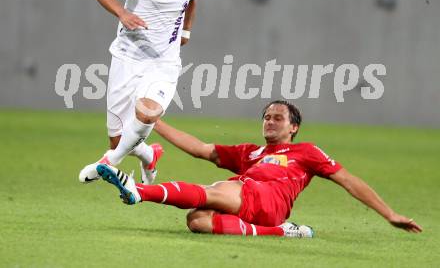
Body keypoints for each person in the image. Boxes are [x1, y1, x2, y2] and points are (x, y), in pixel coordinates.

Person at [96, 100, 423, 237]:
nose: (270, 121)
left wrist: (389, 213)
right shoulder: (249, 153)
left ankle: (138, 192)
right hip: (258, 208)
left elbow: (349, 180)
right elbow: (199, 148)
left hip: (268, 199)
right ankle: (281, 232)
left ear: (293, 127)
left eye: (278, 118)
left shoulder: (305, 152)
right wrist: (154, 123)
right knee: (197, 221)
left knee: (215, 191)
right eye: (267, 116)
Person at [79, 0, 204, 185]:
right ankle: (149, 155)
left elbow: (192, 0)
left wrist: (186, 32)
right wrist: (122, 13)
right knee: (117, 139)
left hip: (164, 63)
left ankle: (108, 162)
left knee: (147, 113)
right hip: (127, 58)